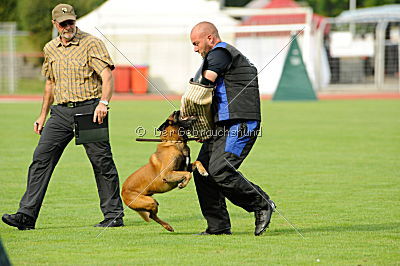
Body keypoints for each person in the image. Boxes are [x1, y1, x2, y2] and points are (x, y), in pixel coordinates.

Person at [2, 4, 124, 230]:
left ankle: (114, 215)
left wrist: (103, 104)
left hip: (89, 109)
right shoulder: (50, 48)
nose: (69, 26)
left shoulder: (91, 43)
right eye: (64, 23)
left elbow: (107, 76)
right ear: (54, 24)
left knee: (101, 161)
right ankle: (26, 216)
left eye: (71, 21)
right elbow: (50, 83)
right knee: (41, 159)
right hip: (60, 113)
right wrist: (42, 115)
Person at [181, 21, 275, 236]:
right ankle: (218, 227)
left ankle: (261, 204)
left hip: (240, 122)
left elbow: (204, 86)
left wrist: (188, 113)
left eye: (196, 43)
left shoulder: (219, 53)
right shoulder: (221, 55)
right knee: (202, 170)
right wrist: (205, 128)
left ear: (210, 39)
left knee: (220, 170)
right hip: (223, 124)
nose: (195, 49)